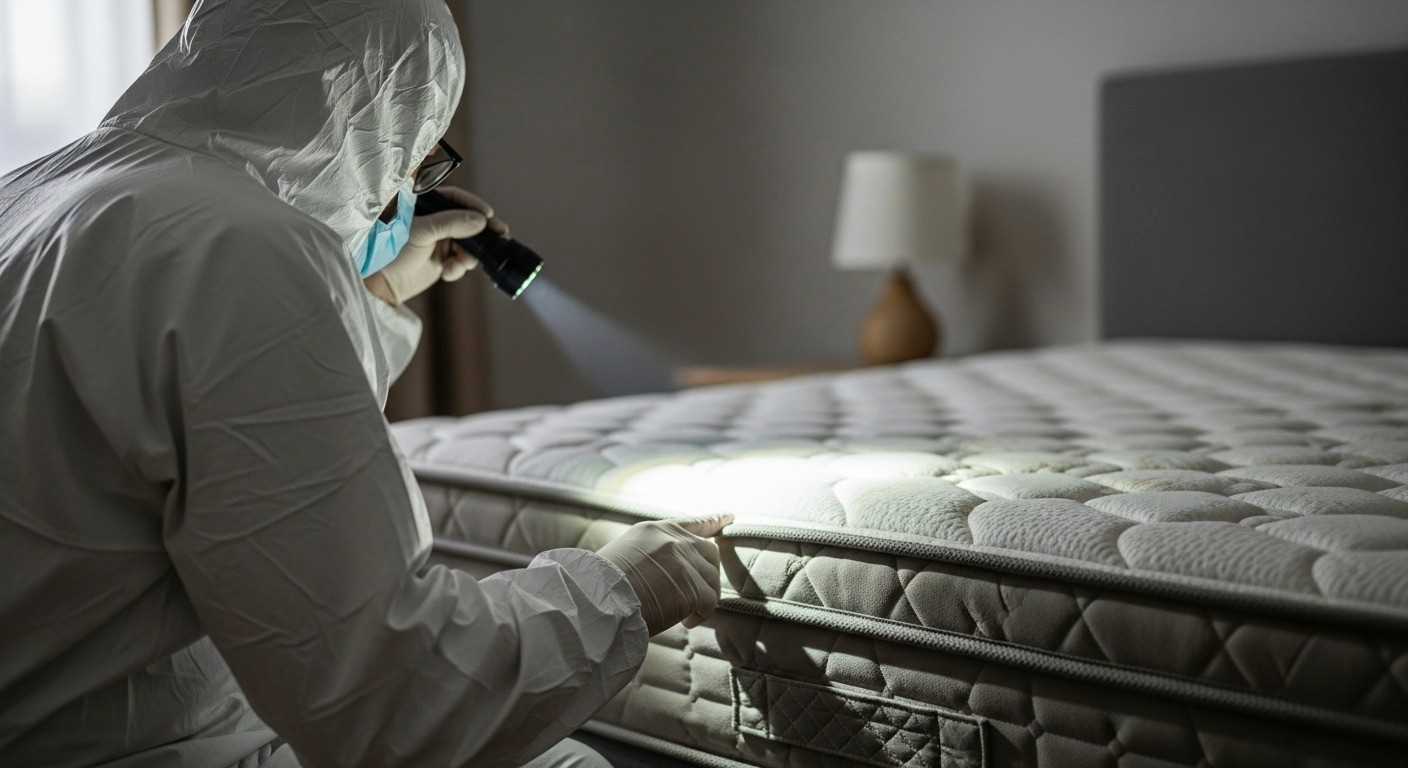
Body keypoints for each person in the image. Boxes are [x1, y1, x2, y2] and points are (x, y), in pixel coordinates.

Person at [0, 1, 729, 766]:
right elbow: (391, 699)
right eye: (417, 159)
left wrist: (371, 296)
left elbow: (177, 422)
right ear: (381, 120)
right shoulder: (243, 247)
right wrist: (616, 590)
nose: (406, 192)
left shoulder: (37, 195)